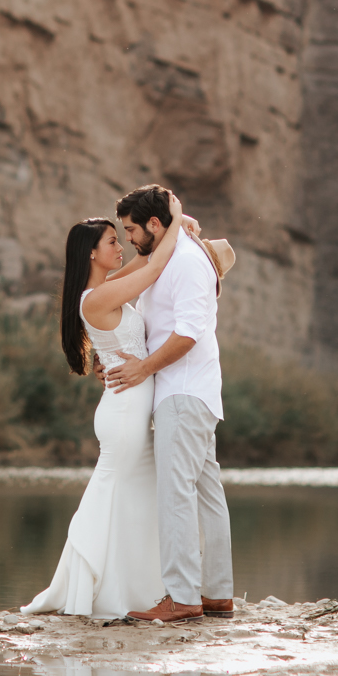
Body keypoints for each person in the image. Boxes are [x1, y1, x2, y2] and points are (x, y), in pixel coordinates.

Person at [20, 201, 193, 618]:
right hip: (122, 412)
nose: (121, 246)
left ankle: (137, 591)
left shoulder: (107, 286)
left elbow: (147, 259)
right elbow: (152, 269)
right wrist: (176, 213)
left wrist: (176, 227)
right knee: (113, 494)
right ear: (91, 254)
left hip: (130, 406)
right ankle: (85, 587)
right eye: (113, 241)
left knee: (135, 499)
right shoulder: (94, 298)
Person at [105, 183, 234, 623]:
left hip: (182, 392)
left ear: (154, 225)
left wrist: (144, 369)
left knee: (176, 495)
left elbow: (189, 333)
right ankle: (217, 595)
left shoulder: (188, 263)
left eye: (132, 231)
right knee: (206, 493)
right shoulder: (171, 255)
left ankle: (181, 597)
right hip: (192, 391)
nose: (129, 240)